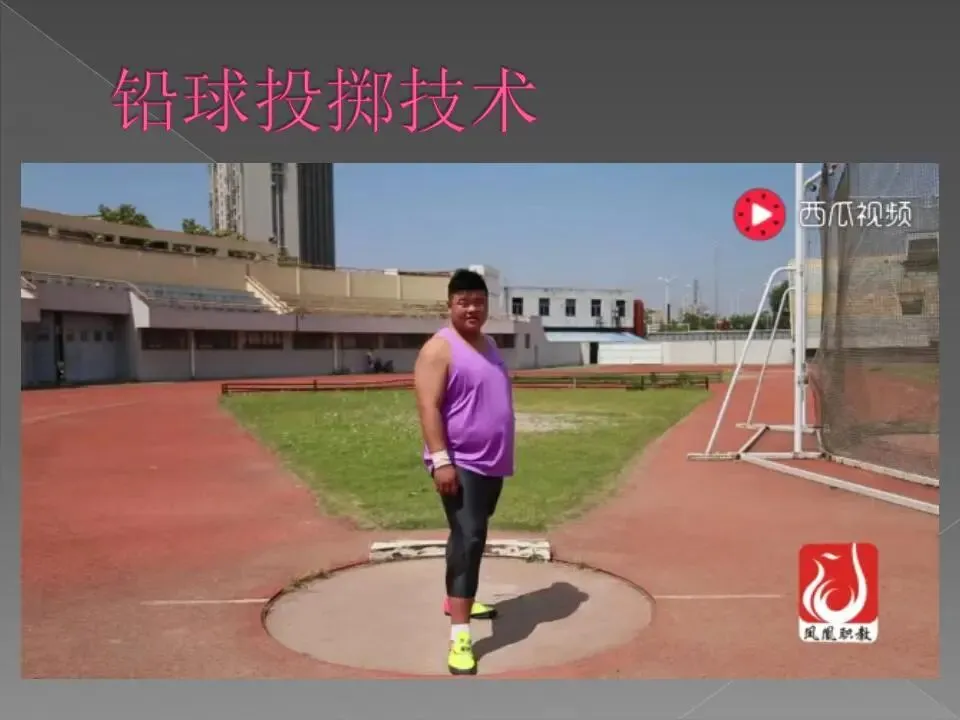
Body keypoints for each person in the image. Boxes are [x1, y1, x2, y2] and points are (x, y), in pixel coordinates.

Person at [413, 269, 515, 676]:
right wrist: (441, 460)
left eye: (479, 301)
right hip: (460, 462)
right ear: (450, 305)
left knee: (467, 534)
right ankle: (460, 637)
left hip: (493, 460)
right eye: (464, 302)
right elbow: (428, 406)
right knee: (470, 538)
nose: (472, 308)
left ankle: (454, 599)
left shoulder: (490, 345)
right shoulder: (438, 349)